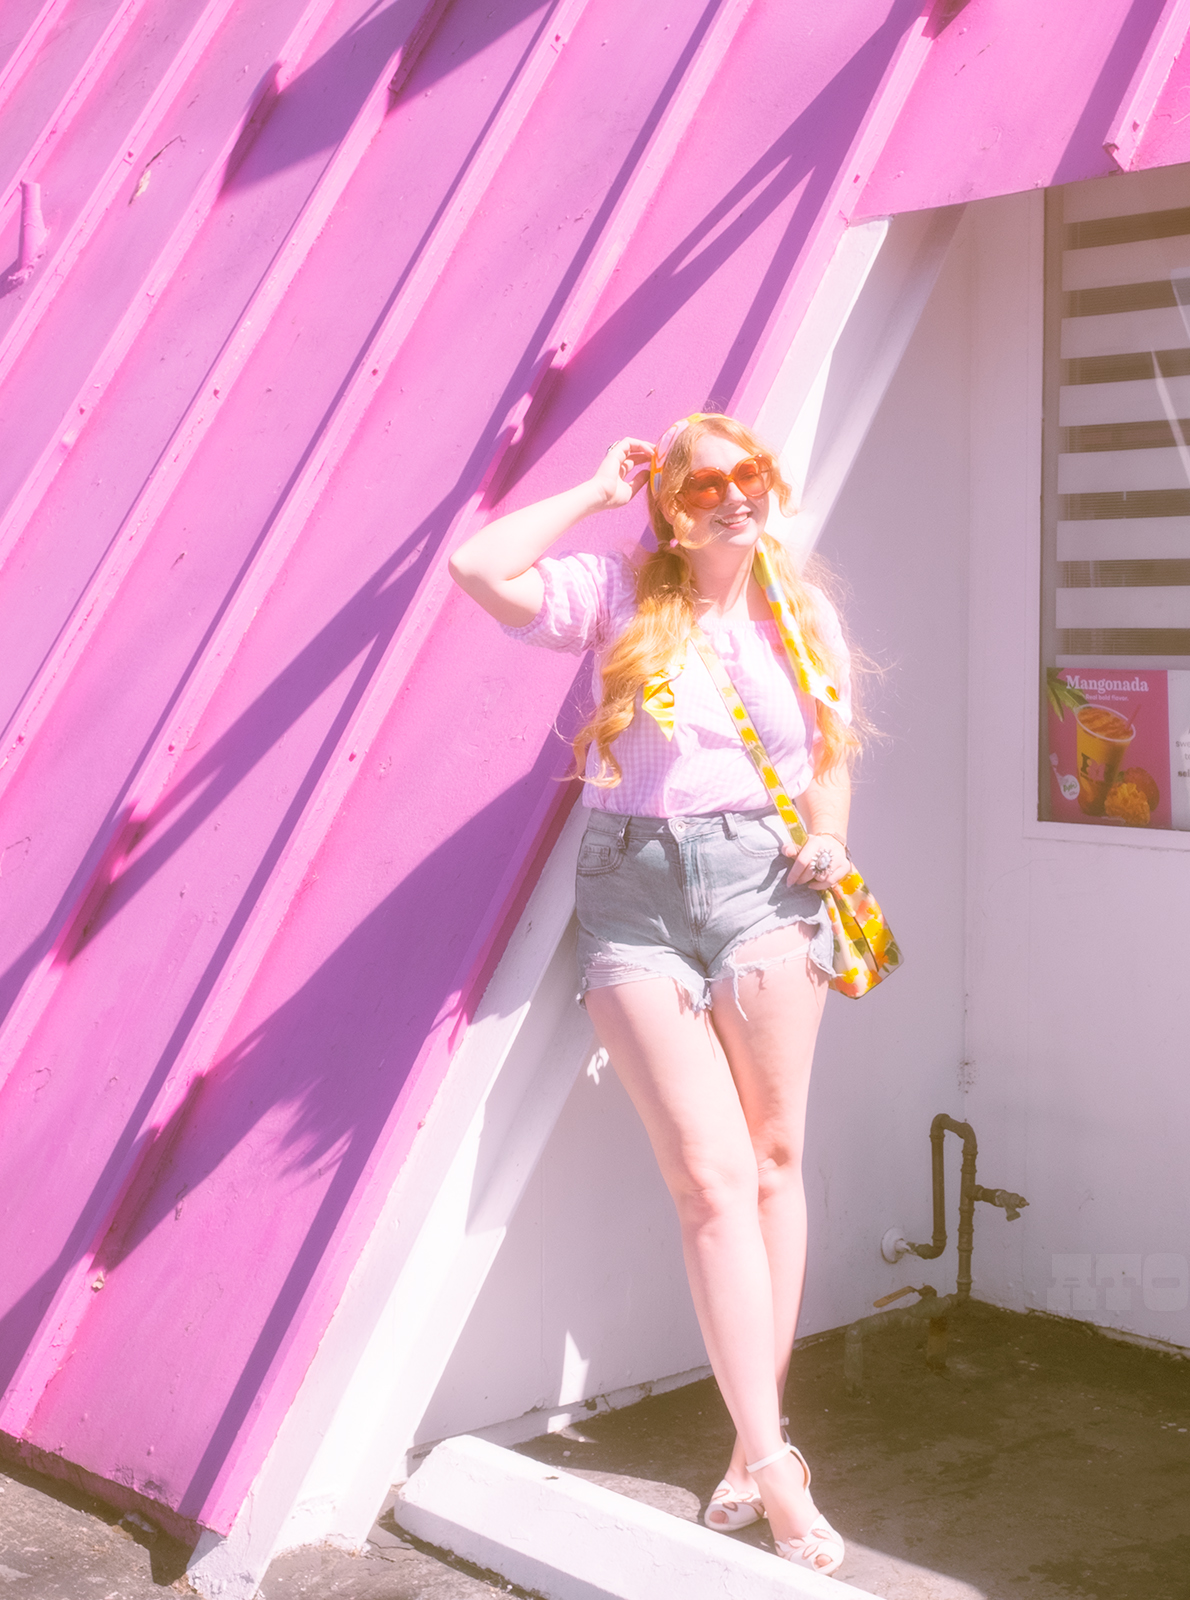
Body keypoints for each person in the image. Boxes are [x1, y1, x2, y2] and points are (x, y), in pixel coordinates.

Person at [446, 413, 856, 1576]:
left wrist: (826, 835)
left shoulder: (800, 609)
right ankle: (781, 1467)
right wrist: (589, 489)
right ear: (673, 505)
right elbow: (478, 568)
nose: (740, 498)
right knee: (710, 1184)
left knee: (775, 1163)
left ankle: (750, 1444)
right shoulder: (618, 595)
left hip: (768, 890)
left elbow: (831, 751)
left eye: (756, 476)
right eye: (713, 484)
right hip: (634, 893)